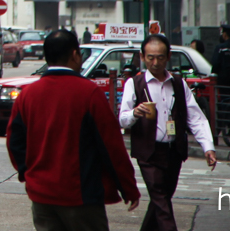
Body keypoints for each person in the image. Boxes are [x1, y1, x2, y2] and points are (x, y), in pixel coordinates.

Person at [8, 28, 139, 231]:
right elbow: (111, 146)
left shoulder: (27, 95)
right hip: (81, 196)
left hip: (41, 196)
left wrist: (28, 174)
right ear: (75, 54)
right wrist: (128, 187)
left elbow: (15, 142)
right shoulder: (89, 93)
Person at [119, 34, 216, 231]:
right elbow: (122, 118)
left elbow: (195, 117)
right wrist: (135, 113)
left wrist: (208, 147)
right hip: (148, 152)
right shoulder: (134, 84)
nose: (155, 62)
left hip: (173, 151)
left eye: (160, 57)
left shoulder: (179, 84)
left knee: (161, 199)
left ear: (168, 56)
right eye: (150, 57)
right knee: (161, 200)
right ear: (142, 56)